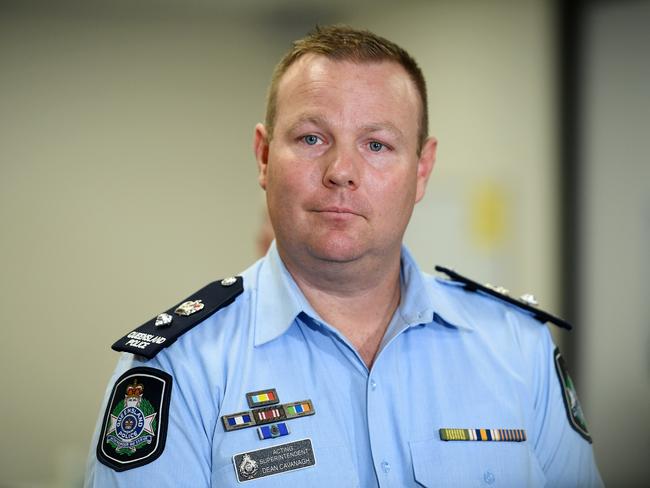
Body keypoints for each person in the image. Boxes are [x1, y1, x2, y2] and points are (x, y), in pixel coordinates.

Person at [85, 25, 603, 487]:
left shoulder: (517, 345)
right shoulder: (178, 365)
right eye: (312, 138)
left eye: (376, 145)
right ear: (264, 156)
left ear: (422, 169)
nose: (341, 171)